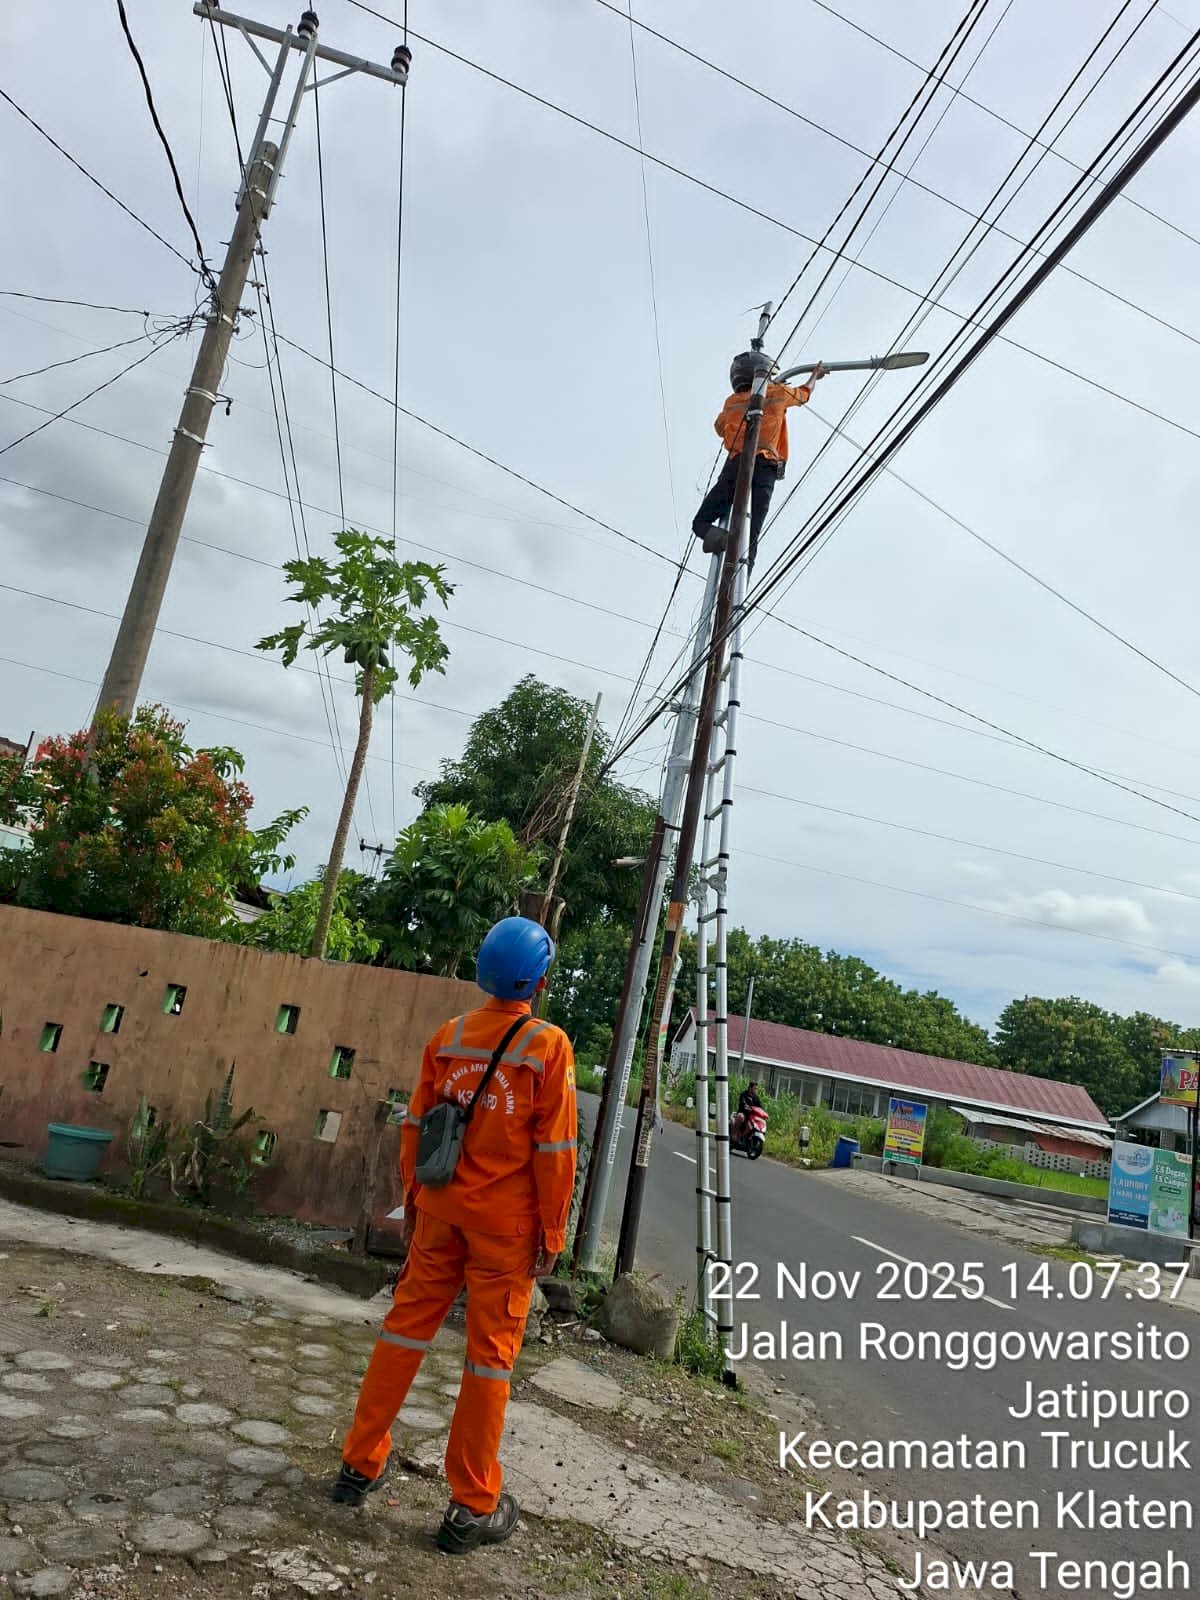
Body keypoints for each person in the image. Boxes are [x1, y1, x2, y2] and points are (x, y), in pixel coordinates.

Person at [333, 916, 577, 1557]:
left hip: (440, 1212)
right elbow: (555, 1150)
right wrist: (554, 1230)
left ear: (483, 973)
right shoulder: (547, 1047)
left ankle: (359, 1463)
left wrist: (413, 1197)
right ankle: (472, 1505)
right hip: (505, 1230)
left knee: (403, 1327)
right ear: (540, 981)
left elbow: (416, 1123)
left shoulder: (450, 1037)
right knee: (487, 1360)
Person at [692, 352, 828, 574]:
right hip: (765, 469)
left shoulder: (731, 402)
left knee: (700, 523)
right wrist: (815, 376)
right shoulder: (778, 393)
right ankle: (742, 580)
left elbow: (719, 427)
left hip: (736, 467)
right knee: (751, 536)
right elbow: (804, 393)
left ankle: (725, 540)